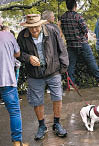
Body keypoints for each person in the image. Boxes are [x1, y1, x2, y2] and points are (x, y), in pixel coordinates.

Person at [17, 14, 69, 140]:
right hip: (34, 74)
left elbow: (62, 48)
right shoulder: (22, 36)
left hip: (53, 71)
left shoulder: (52, 31)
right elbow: (18, 53)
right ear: (27, 27)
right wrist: (28, 58)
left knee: (57, 97)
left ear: (41, 24)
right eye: (31, 28)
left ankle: (57, 123)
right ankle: (42, 126)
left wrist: (63, 67)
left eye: (37, 27)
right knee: (37, 101)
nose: (34, 30)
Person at [60, 0, 99, 86]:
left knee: (71, 64)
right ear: (75, 6)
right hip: (81, 43)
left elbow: (62, 30)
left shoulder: (62, 17)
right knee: (91, 61)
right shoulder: (78, 16)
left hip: (70, 44)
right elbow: (85, 29)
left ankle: (71, 84)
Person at [0, 18, 28, 146]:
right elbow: (17, 53)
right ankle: (17, 142)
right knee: (14, 111)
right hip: (6, 79)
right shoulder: (7, 35)